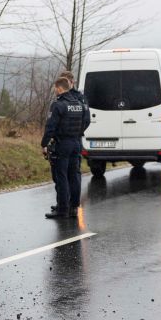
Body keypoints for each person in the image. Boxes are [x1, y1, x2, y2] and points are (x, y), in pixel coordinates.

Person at [42, 77, 90, 220]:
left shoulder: (58, 105)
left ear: (59, 88)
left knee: (61, 176)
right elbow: (85, 121)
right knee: (74, 176)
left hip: (63, 144)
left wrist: (44, 144)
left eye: (55, 89)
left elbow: (50, 127)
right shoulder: (79, 103)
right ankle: (74, 208)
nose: (55, 91)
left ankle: (62, 209)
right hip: (76, 142)